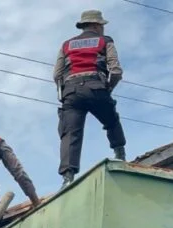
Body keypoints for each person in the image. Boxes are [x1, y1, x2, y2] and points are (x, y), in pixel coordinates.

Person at [53, 9, 126, 188]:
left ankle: (68, 177)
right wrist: (108, 89)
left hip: (71, 91)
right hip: (96, 87)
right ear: (95, 25)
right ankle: (120, 154)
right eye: (101, 25)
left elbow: (57, 74)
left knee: (70, 133)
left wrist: (64, 92)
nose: (103, 29)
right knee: (111, 120)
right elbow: (116, 71)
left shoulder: (66, 45)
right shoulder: (105, 41)